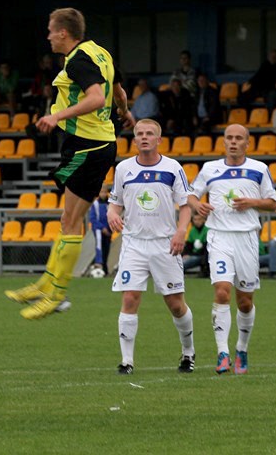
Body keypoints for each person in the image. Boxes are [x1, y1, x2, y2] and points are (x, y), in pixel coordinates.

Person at [4, 7, 133, 320]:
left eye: (51, 30)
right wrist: (125, 112)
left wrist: (56, 115)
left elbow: (96, 98)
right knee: (67, 218)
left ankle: (57, 295)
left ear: (64, 33)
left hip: (88, 147)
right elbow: (116, 90)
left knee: (72, 221)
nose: (48, 36)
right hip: (92, 144)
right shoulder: (98, 51)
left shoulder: (77, 60)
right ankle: (46, 284)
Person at [188, 124, 276, 374]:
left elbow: (272, 203)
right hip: (219, 237)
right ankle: (222, 353)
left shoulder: (259, 169)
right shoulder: (210, 169)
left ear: (247, 143)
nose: (234, 142)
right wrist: (198, 206)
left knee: (245, 301)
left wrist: (252, 202)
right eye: (229, 138)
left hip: (247, 238)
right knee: (222, 292)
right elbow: (191, 195)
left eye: (239, 138)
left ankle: (242, 348)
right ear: (224, 142)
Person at [107, 118, 195, 374]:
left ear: (159, 140)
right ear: (134, 139)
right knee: (130, 298)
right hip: (134, 244)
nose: (144, 137)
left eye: (150, 134)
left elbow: (186, 204)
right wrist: (112, 213)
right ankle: (126, 361)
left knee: (176, 304)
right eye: (140, 134)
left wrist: (181, 231)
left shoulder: (173, 167)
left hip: (164, 245)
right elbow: (115, 202)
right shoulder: (123, 169)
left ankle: (188, 353)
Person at [88, 186, 112, 276]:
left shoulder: (110, 204)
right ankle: (99, 266)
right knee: (99, 247)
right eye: (101, 192)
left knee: (106, 249)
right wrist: (102, 228)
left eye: (105, 192)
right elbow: (93, 219)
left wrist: (109, 228)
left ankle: (104, 268)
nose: (103, 194)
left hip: (108, 230)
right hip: (98, 230)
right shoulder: (95, 204)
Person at [182, 212, 209, 277]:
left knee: (183, 264)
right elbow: (188, 245)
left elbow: (206, 248)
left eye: (199, 219)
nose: (197, 221)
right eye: (195, 219)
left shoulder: (207, 230)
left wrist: (190, 255)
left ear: (204, 220)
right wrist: (185, 254)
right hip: (193, 255)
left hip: (201, 256)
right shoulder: (192, 230)